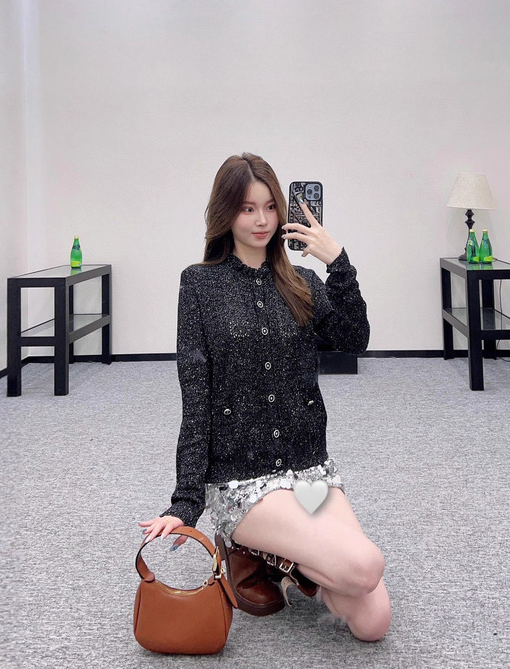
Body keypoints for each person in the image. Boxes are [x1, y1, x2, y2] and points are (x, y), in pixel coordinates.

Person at [138, 153, 391, 642]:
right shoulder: (199, 285)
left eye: (271, 207)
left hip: (309, 473)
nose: (262, 220)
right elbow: (196, 400)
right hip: (242, 481)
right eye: (247, 208)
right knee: (364, 565)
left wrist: (337, 262)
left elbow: (355, 339)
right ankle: (244, 542)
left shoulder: (303, 284)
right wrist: (185, 502)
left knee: (372, 621)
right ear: (226, 213)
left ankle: (282, 560)